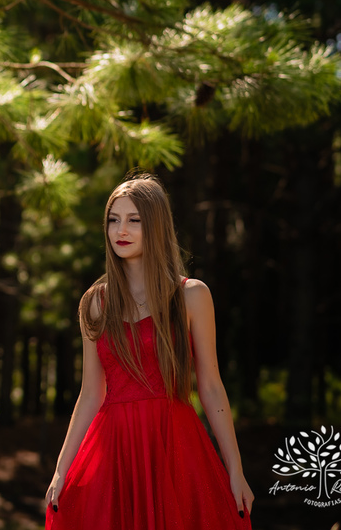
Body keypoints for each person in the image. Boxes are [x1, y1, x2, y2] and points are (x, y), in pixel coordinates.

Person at [43, 174, 254, 529]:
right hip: (113, 451)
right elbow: (91, 394)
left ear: (155, 225)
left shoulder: (192, 296)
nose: (120, 230)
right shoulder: (95, 303)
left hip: (175, 445)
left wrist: (235, 469)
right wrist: (61, 469)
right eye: (113, 219)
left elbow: (212, 387)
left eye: (134, 220)